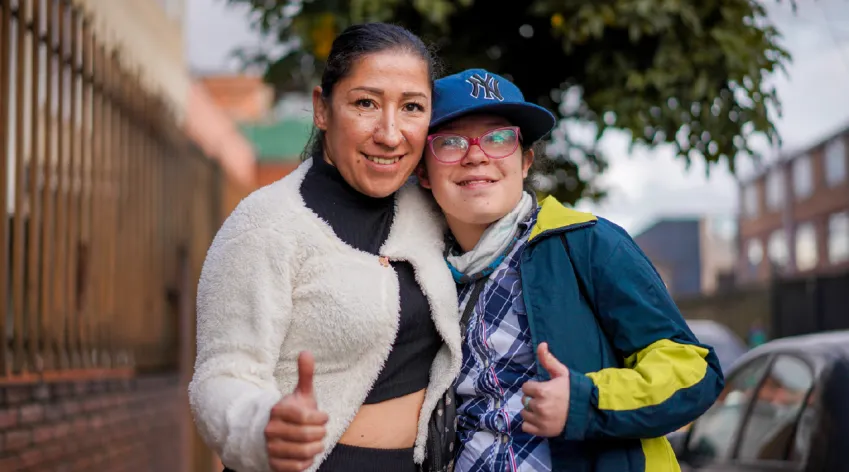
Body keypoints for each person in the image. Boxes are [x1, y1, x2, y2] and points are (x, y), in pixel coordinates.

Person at [265, 68, 726, 472]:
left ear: (524, 162)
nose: (476, 155)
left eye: (499, 138)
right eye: (449, 142)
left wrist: (586, 401)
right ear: (423, 173)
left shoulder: (589, 244)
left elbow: (695, 371)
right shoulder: (420, 277)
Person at [188, 23, 462, 472]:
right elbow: (221, 376)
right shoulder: (266, 223)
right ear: (322, 108)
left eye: (412, 107)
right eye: (365, 104)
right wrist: (262, 424)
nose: (390, 134)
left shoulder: (433, 212)